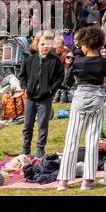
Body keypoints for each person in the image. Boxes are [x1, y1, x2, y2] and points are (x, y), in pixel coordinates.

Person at [55, 25, 106, 191]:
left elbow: (69, 81)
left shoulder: (77, 62)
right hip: (97, 99)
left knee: (71, 139)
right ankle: (88, 179)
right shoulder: (105, 62)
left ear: (84, 45)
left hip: (79, 99)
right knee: (92, 140)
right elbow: (105, 80)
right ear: (100, 44)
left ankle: (63, 180)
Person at [19, 31, 66, 159]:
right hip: (31, 97)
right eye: (42, 44)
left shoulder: (55, 61)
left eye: (48, 44)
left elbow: (60, 77)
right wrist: (24, 88)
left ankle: (40, 149)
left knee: (42, 125)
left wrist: (51, 90)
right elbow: (22, 76)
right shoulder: (30, 60)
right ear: (37, 44)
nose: (45, 46)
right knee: (27, 124)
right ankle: (25, 149)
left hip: (45, 98)